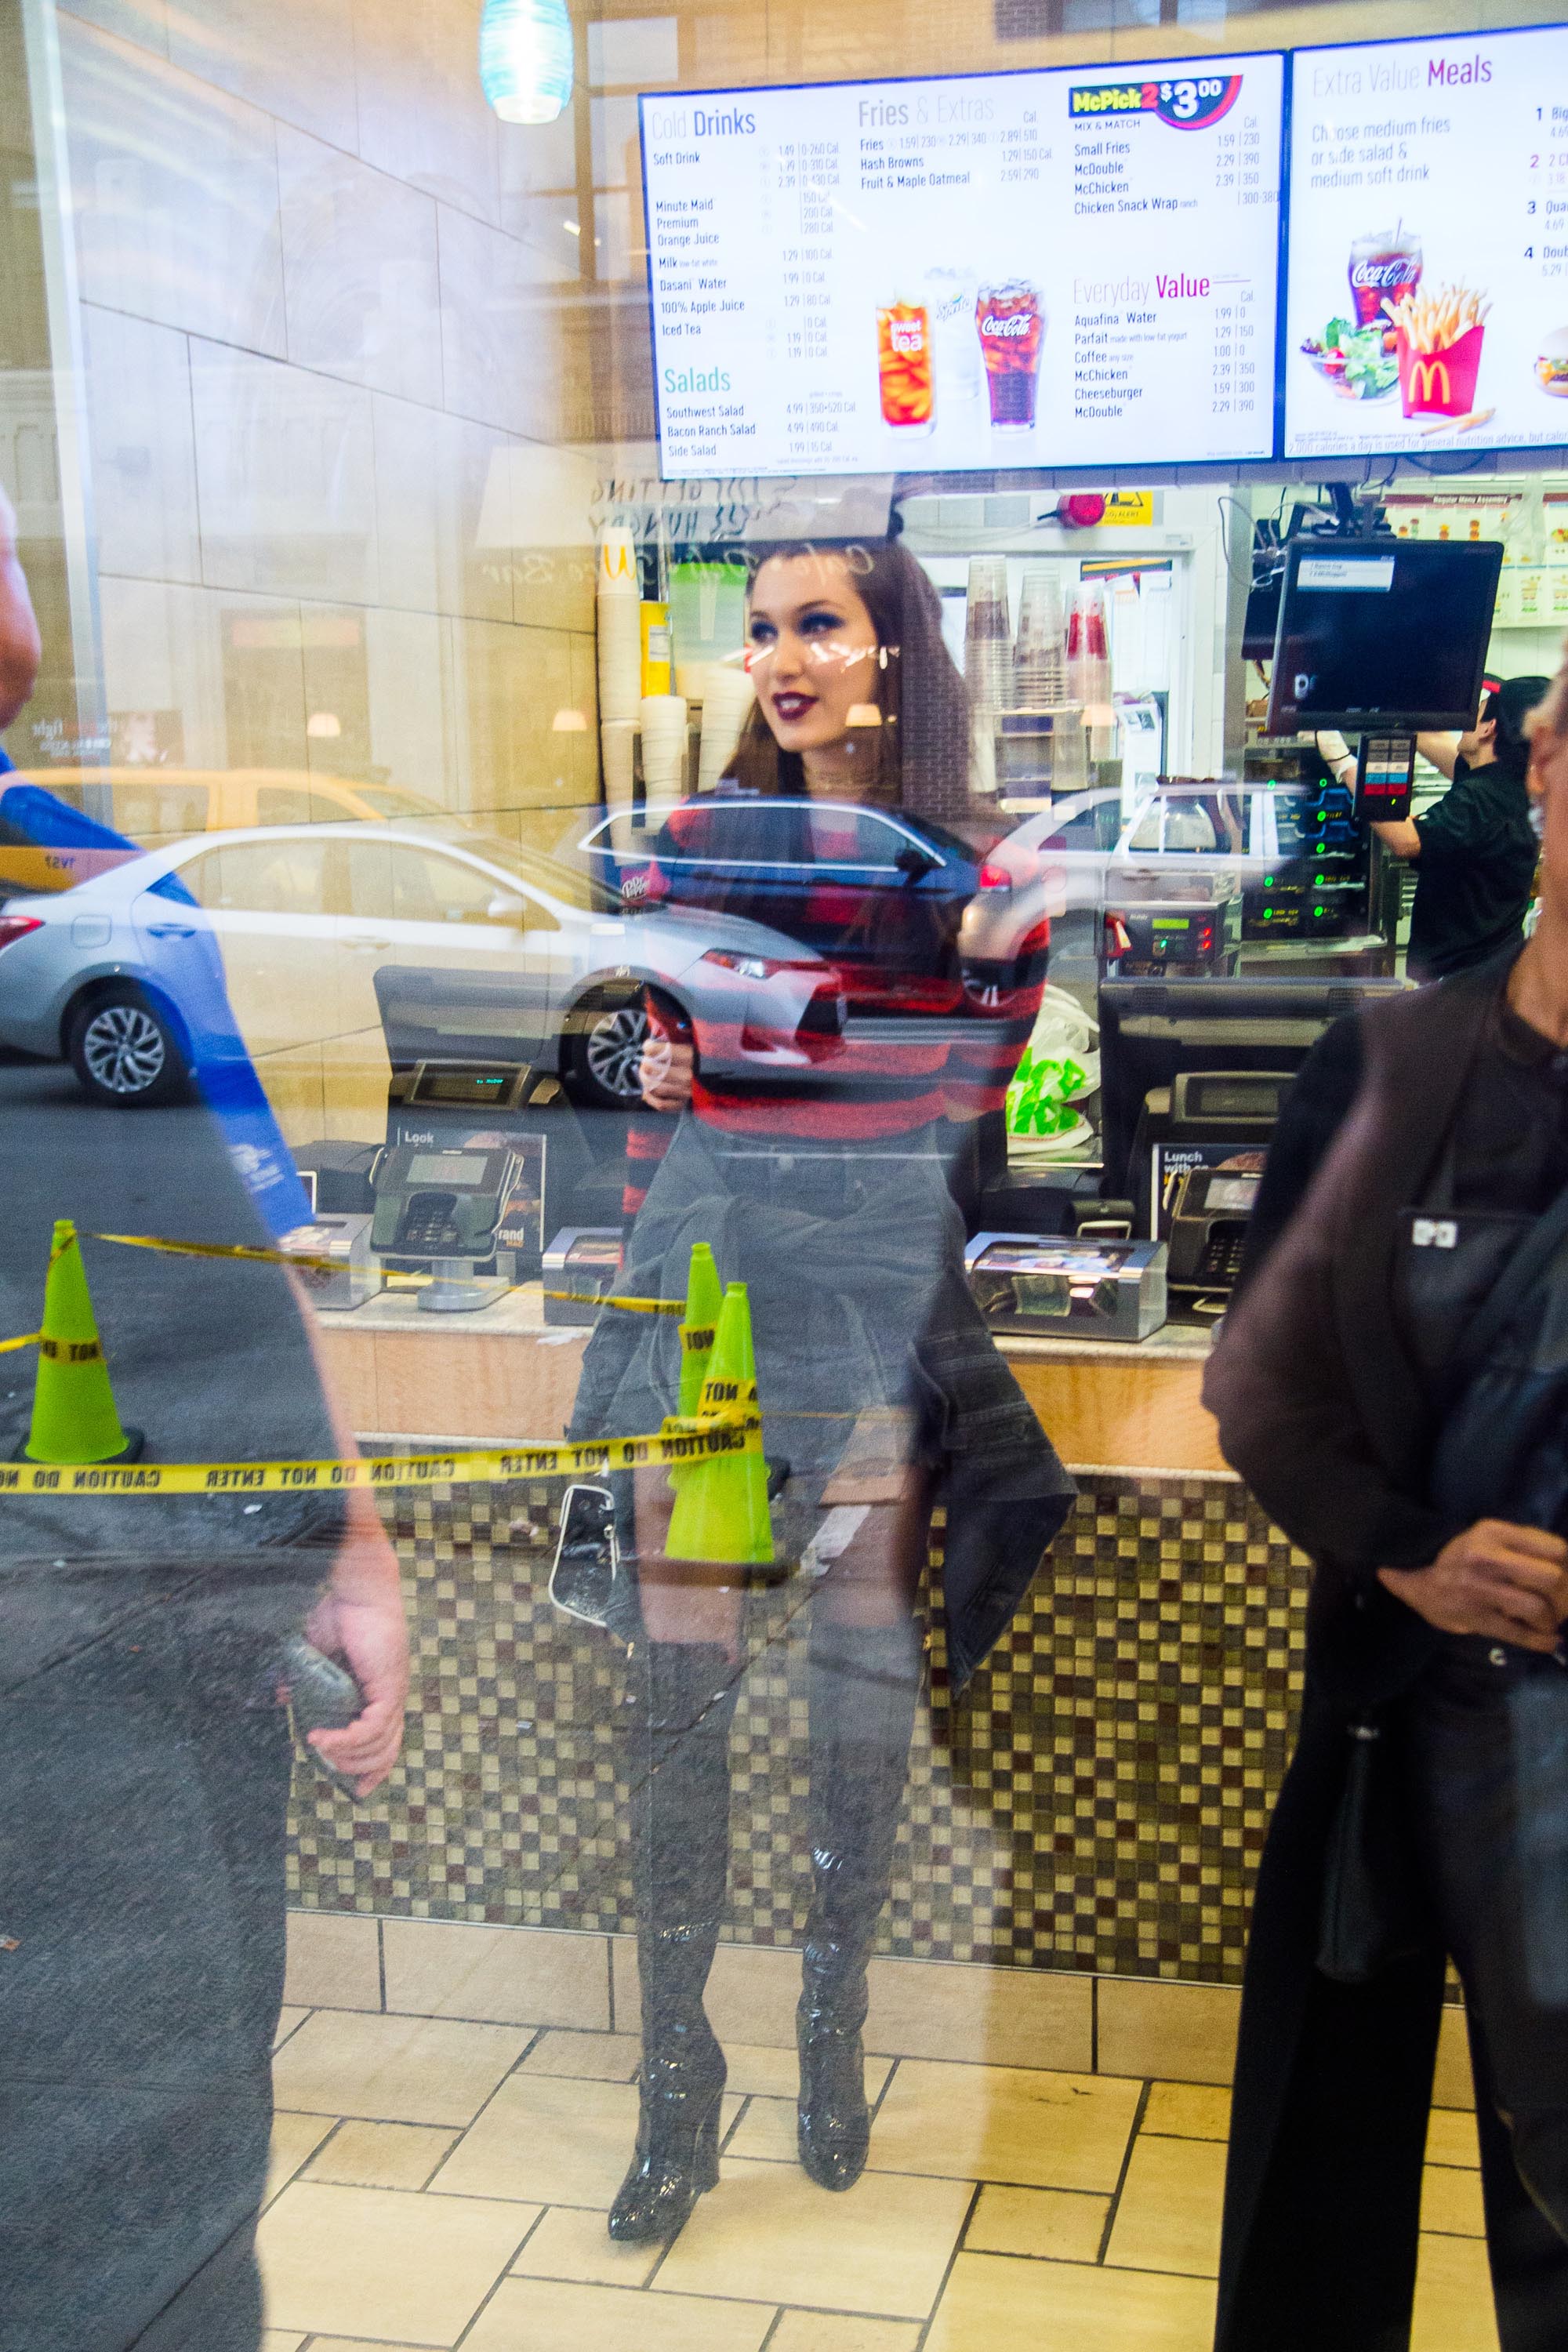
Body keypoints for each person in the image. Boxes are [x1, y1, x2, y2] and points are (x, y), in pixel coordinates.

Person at [568, 536, 1074, 2246]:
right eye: (765, 628)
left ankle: (828, 2029)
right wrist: (660, 1063)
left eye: (820, 626)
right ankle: (672, 2087)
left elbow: (971, 1105)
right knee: (680, 1699)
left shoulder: (964, 860)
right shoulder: (698, 841)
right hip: (713, 1293)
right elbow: (660, 1074)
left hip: (867, 1288)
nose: (783, 657)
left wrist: (983, 962)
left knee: (856, 1688)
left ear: (888, 652)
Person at [1206, 648, 1568, 2350]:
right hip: (1398, 1724)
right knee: (1325, 2178)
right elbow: (1255, 1386)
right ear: (1542, 772)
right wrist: (1409, 1554)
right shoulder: (1390, 1064)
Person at [1318, 674, 1548, 981]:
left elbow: (1405, 841)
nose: (1463, 725)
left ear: (1488, 729)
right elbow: (1433, 740)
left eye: (1474, 714)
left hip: (1465, 981)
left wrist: (1341, 760)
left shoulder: (1484, 799)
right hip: (1492, 970)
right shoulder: (1505, 780)